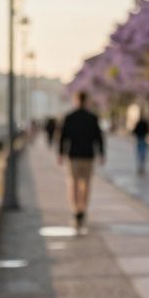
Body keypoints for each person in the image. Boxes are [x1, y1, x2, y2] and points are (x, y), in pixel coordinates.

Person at [57, 91, 105, 231]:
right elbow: (99, 137)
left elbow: (63, 137)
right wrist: (101, 154)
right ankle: (83, 208)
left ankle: (75, 209)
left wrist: (60, 154)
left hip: (73, 156)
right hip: (88, 156)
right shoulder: (93, 117)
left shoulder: (69, 117)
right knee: (86, 184)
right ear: (87, 101)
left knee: (73, 183)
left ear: (76, 100)